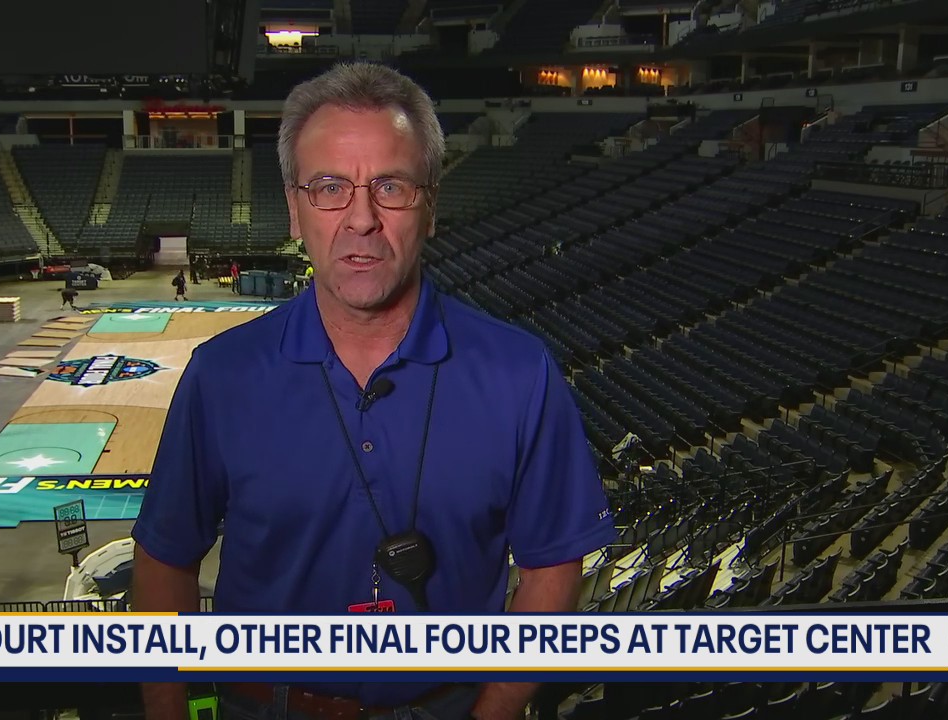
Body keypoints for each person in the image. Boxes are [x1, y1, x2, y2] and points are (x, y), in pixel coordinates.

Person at [131, 63, 614, 720]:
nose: (361, 219)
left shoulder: (519, 372)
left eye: (391, 187)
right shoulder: (222, 376)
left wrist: (492, 712)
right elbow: (165, 560)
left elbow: (553, 567)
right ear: (295, 209)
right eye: (329, 187)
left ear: (431, 206)